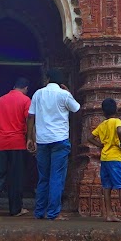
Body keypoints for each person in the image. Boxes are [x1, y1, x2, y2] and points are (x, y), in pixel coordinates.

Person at [27, 69, 80, 220]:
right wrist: (69, 92)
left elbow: (31, 116)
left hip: (42, 140)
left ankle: (39, 212)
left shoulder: (38, 93)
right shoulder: (64, 94)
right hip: (59, 140)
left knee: (43, 177)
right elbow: (76, 108)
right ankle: (53, 213)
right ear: (61, 82)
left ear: (48, 79)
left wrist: (30, 137)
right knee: (56, 177)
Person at [0, 77, 31, 217]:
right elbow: (29, 120)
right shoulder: (25, 100)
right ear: (26, 88)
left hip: (0, 142)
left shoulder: (1, 99)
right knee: (16, 176)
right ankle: (15, 209)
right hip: (17, 143)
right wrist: (30, 139)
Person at [88, 98, 121, 223]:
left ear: (103, 112)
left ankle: (109, 214)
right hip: (115, 157)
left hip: (104, 158)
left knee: (106, 186)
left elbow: (90, 138)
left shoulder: (102, 125)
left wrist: (100, 145)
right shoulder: (117, 121)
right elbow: (119, 130)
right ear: (116, 109)